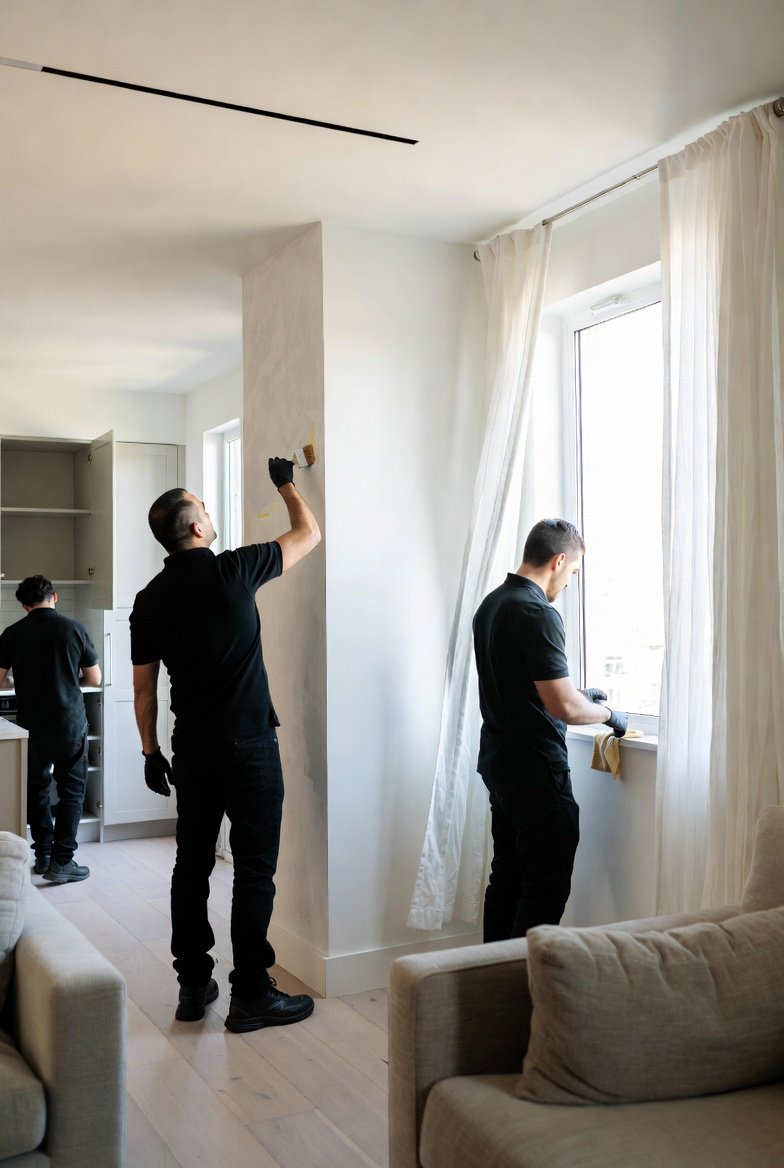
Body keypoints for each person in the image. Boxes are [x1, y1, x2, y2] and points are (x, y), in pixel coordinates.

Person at [129, 457, 321, 1031]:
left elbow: (144, 688)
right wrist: (286, 483)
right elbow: (309, 534)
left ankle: (193, 987)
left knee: (191, 866)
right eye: (205, 509)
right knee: (254, 869)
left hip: (191, 750)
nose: (211, 515)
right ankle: (252, 994)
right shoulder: (234, 570)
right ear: (194, 528)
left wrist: (149, 751)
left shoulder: (149, 599)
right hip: (251, 748)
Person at [472, 518, 627, 941]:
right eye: (573, 572)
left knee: (506, 879)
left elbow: (527, 685)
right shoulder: (537, 611)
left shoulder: (492, 604)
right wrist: (610, 714)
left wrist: (583, 694)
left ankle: (490, 986)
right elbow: (562, 707)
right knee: (545, 887)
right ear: (559, 560)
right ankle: (525, 995)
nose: (569, 582)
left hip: (500, 765)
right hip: (536, 771)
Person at [0, 575, 101, 882]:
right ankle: (62, 861)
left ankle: (43, 855)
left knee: (36, 788)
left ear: (23, 605)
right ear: (54, 597)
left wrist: (17, 681)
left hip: (32, 725)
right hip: (69, 723)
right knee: (71, 790)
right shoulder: (75, 629)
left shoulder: (13, 633)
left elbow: (0, 678)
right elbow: (94, 679)